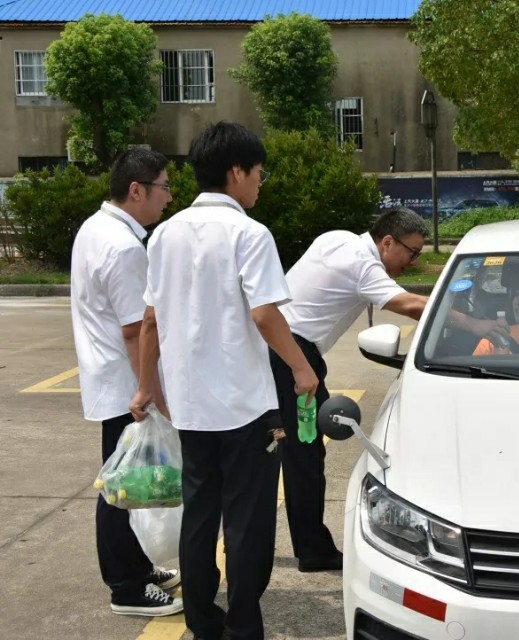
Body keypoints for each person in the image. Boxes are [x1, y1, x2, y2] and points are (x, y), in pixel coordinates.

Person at [129, 121, 320, 639]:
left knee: (200, 513)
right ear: (236, 171)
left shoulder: (163, 234)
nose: (260, 183)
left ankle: (202, 621)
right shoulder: (249, 234)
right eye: (257, 173)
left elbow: (149, 321)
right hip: (244, 407)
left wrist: (147, 386)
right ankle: (244, 623)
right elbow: (264, 315)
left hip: (190, 406)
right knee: (247, 519)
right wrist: (302, 369)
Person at [271, 207, 501, 571]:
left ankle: (288, 544)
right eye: (411, 253)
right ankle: (311, 550)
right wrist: (477, 325)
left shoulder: (338, 239)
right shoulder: (362, 264)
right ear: (388, 241)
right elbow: (410, 305)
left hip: (276, 348)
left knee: (280, 451)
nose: (411, 263)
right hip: (290, 357)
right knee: (303, 456)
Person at [70, 148, 182, 617]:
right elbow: (137, 330)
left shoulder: (95, 229)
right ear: (136, 190)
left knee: (129, 483)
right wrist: (152, 392)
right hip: (125, 386)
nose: (169, 198)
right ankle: (126, 587)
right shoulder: (122, 246)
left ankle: (136, 566)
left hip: (110, 379)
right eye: (163, 187)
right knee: (120, 490)